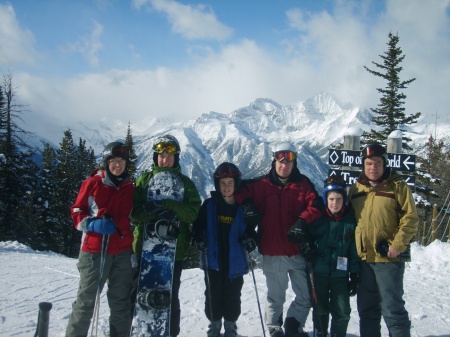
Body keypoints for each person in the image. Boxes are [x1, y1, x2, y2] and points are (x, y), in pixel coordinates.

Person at [234, 142, 323, 337]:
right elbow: (239, 189)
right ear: (274, 162)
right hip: (273, 252)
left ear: (294, 163)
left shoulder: (303, 184)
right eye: (280, 161)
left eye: (288, 162)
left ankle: (293, 325)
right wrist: (248, 204)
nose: (284, 165)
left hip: (297, 251)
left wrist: (302, 221)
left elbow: (316, 204)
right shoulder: (262, 185)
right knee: (275, 297)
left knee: (305, 296)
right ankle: (274, 328)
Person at [131, 134, 201, 337]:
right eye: (161, 156)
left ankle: (170, 333)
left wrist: (170, 206)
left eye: (169, 156)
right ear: (155, 157)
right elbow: (133, 212)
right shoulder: (144, 180)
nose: (165, 159)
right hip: (143, 249)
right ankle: (136, 330)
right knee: (138, 293)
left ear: (176, 158)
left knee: (169, 296)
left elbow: (193, 212)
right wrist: (151, 212)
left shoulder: (185, 184)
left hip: (174, 251)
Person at [348, 143, 418, 337]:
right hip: (363, 259)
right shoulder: (356, 189)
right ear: (363, 165)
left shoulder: (397, 186)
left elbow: (410, 218)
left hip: (388, 258)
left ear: (384, 164)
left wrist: (397, 245)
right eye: (369, 163)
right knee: (367, 310)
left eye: (377, 163)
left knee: (392, 309)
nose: (373, 167)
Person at [66, 141, 135, 337]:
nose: (117, 165)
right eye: (113, 160)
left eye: (121, 161)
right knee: (86, 302)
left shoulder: (129, 186)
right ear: (106, 162)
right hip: (95, 250)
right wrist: (92, 224)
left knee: (120, 302)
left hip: (121, 251)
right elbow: (77, 212)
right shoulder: (93, 183)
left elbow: (133, 215)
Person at [192, 162, 257, 337]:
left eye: (230, 182)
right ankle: (214, 327)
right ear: (216, 184)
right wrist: (198, 238)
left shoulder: (243, 207)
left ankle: (230, 327)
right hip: (213, 260)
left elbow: (252, 230)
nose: (226, 187)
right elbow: (197, 227)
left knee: (232, 297)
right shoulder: (209, 205)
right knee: (213, 296)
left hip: (235, 261)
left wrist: (251, 240)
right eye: (223, 183)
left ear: (236, 183)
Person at [308, 175, 360, 337]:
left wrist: (355, 273)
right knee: (320, 308)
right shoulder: (318, 220)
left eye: (338, 199)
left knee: (342, 310)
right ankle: (321, 333)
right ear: (325, 199)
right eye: (331, 199)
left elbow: (353, 250)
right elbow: (308, 239)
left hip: (340, 274)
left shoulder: (350, 222)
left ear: (344, 200)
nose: (334, 203)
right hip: (319, 271)